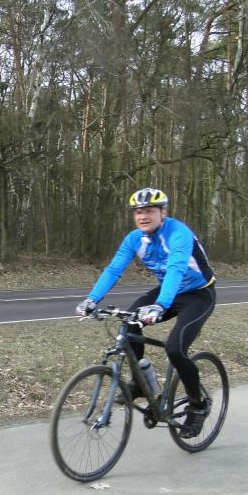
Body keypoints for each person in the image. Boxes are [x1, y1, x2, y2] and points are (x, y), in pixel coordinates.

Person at [75, 188, 216, 438]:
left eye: (149, 211)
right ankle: (140, 382)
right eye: (138, 212)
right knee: (129, 323)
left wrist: (160, 305)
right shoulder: (134, 239)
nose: (143, 216)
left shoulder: (179, 233)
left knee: (175, 349)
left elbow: (175, 268)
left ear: (163, 212)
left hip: (198, 295)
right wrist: (92, 299)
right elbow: (114, 269)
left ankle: (198, 405)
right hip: (167, 293)